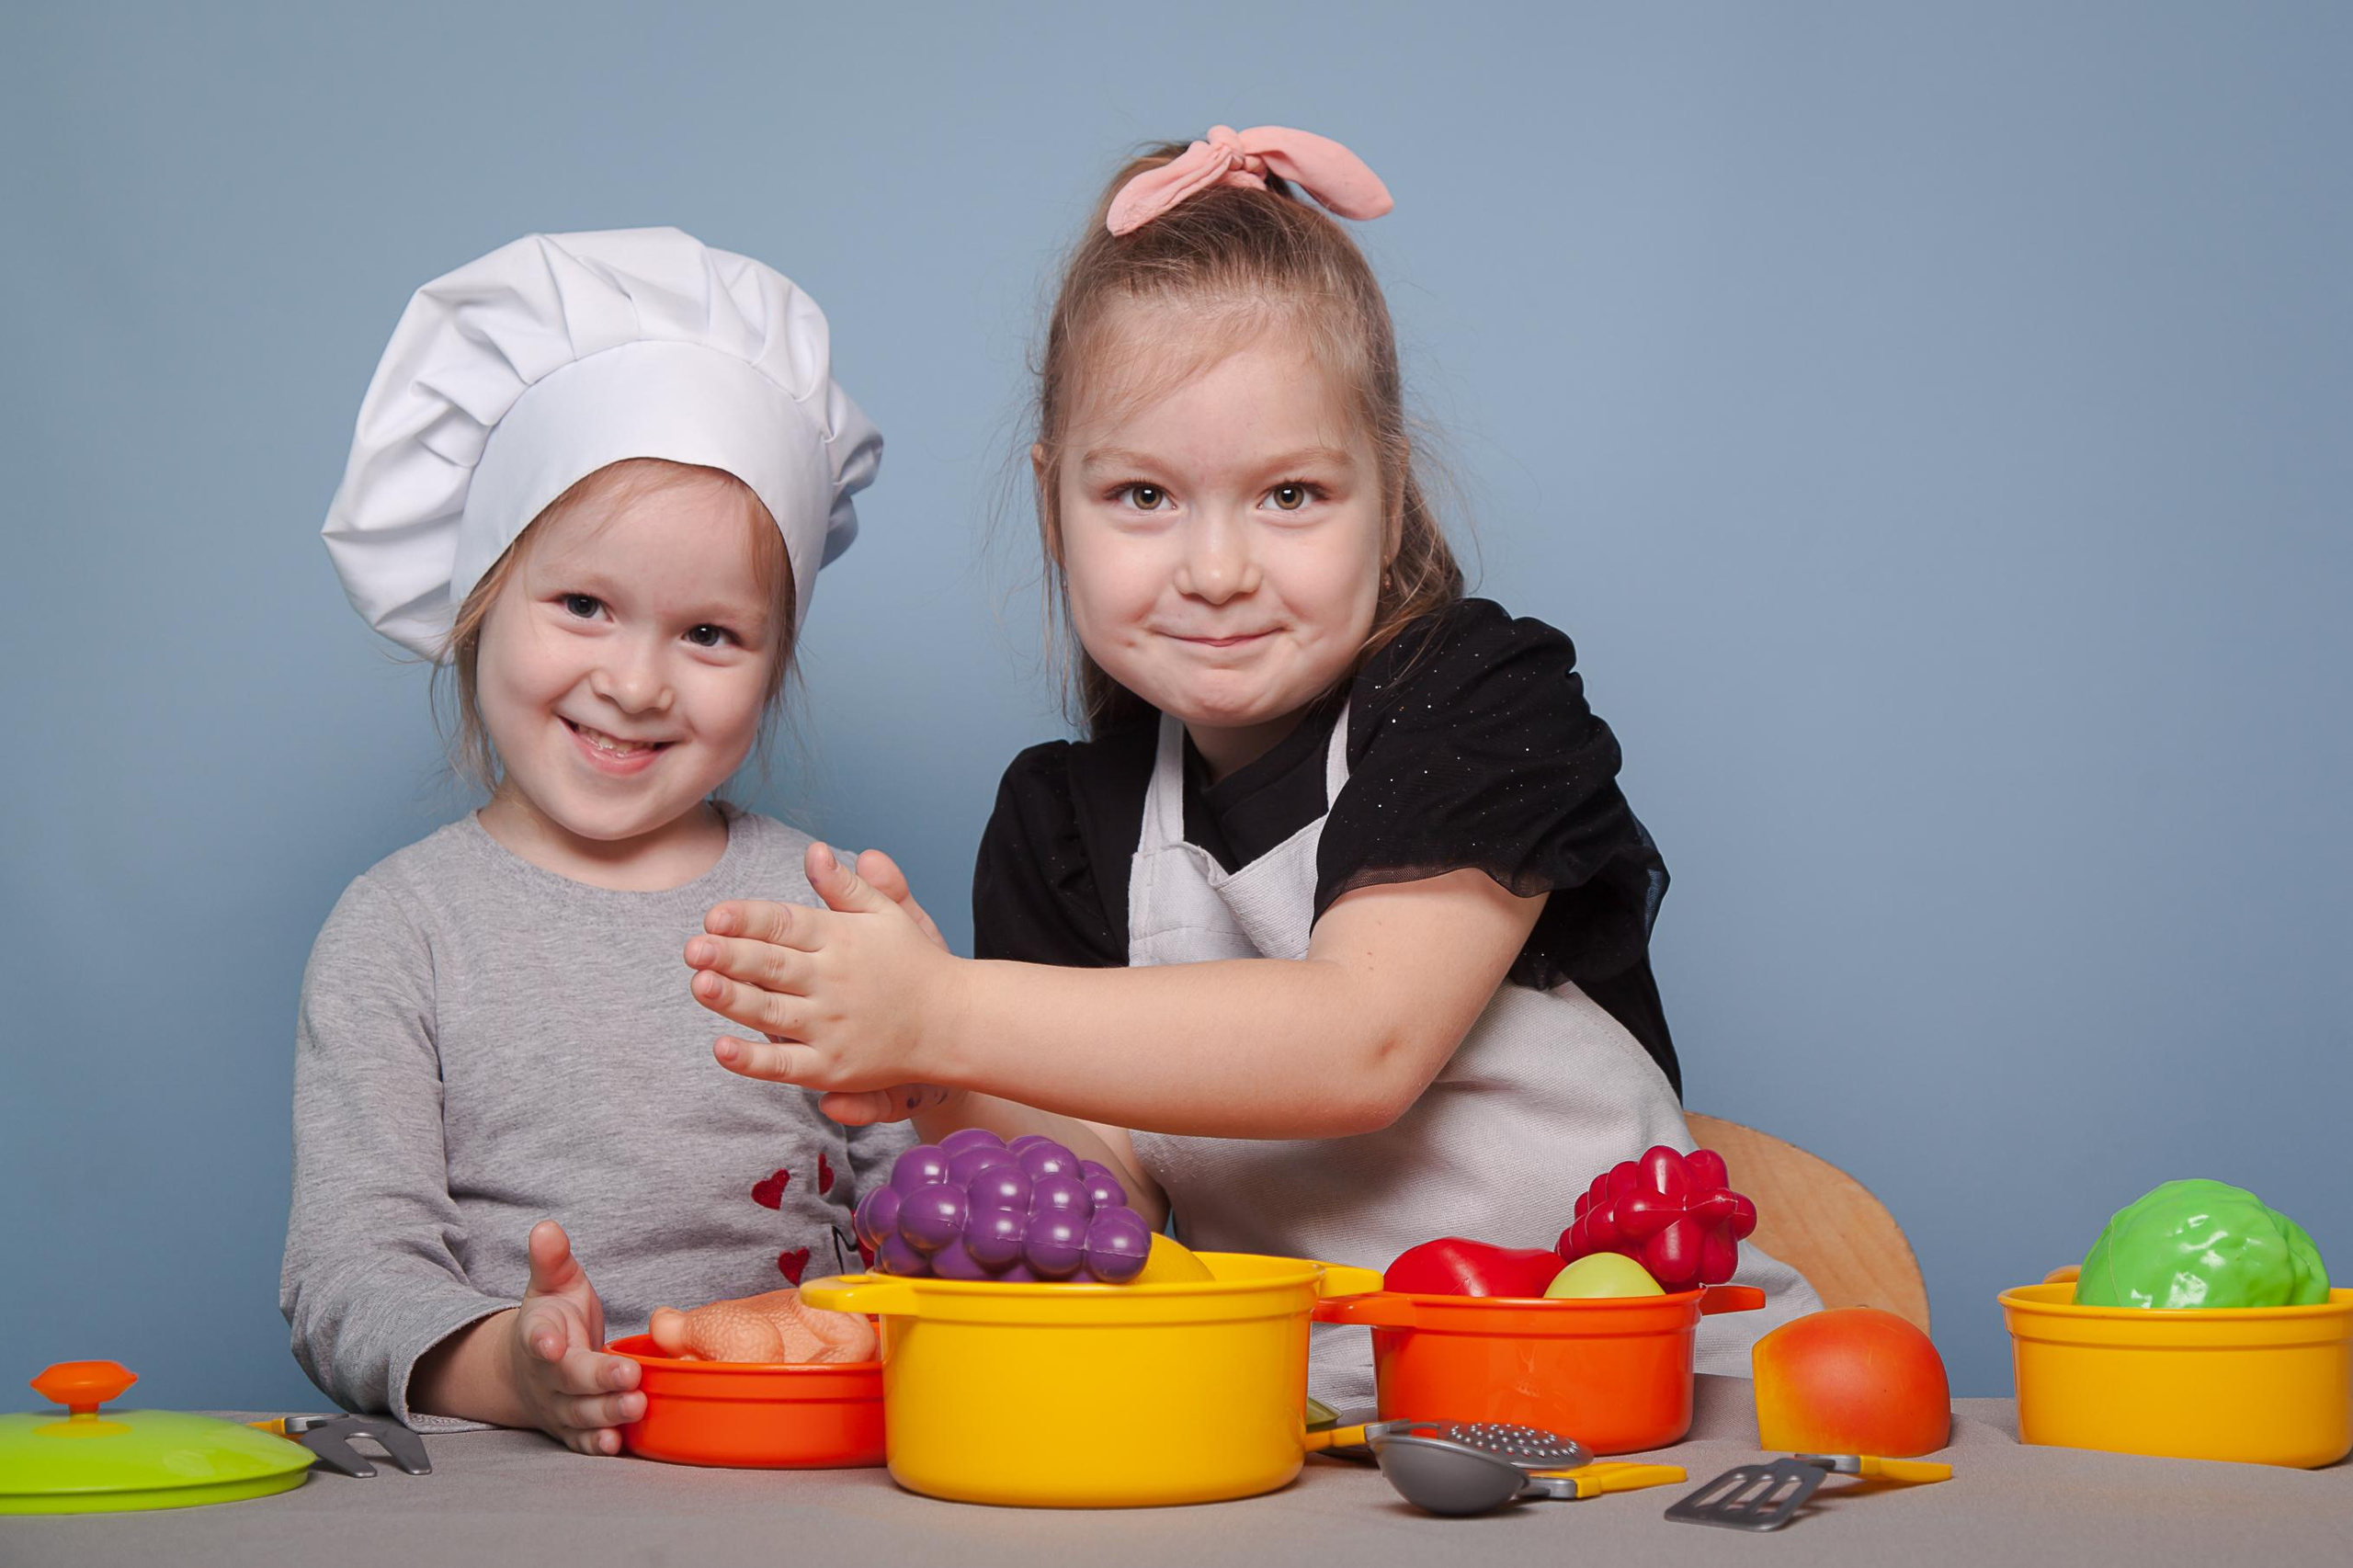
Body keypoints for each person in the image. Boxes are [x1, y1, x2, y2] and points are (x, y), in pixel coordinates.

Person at [681, 130, 1819, 1401]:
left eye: (1289, 495)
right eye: (1143, 498)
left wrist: (952, 1006)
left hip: (1642, 1395)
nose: (1217, 570)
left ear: (1388, 492)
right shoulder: (1062, 824)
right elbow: (1099, 1206)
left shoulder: (1478, 701)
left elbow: (1362, 1039)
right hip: (1306, 1423)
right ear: (1054, 501)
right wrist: (939, 1077)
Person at [282, 227, 911, 1452]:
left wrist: (924, 1125)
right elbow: (347, 1270)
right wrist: (509, 1366)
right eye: (582, 604)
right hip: (514, 1487)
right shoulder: (401, 931)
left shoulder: (821, 905)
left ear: (777, 663)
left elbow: (925, 1216)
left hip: (808, 1468)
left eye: (711, 634)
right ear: (481, 602)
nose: (635, 681)